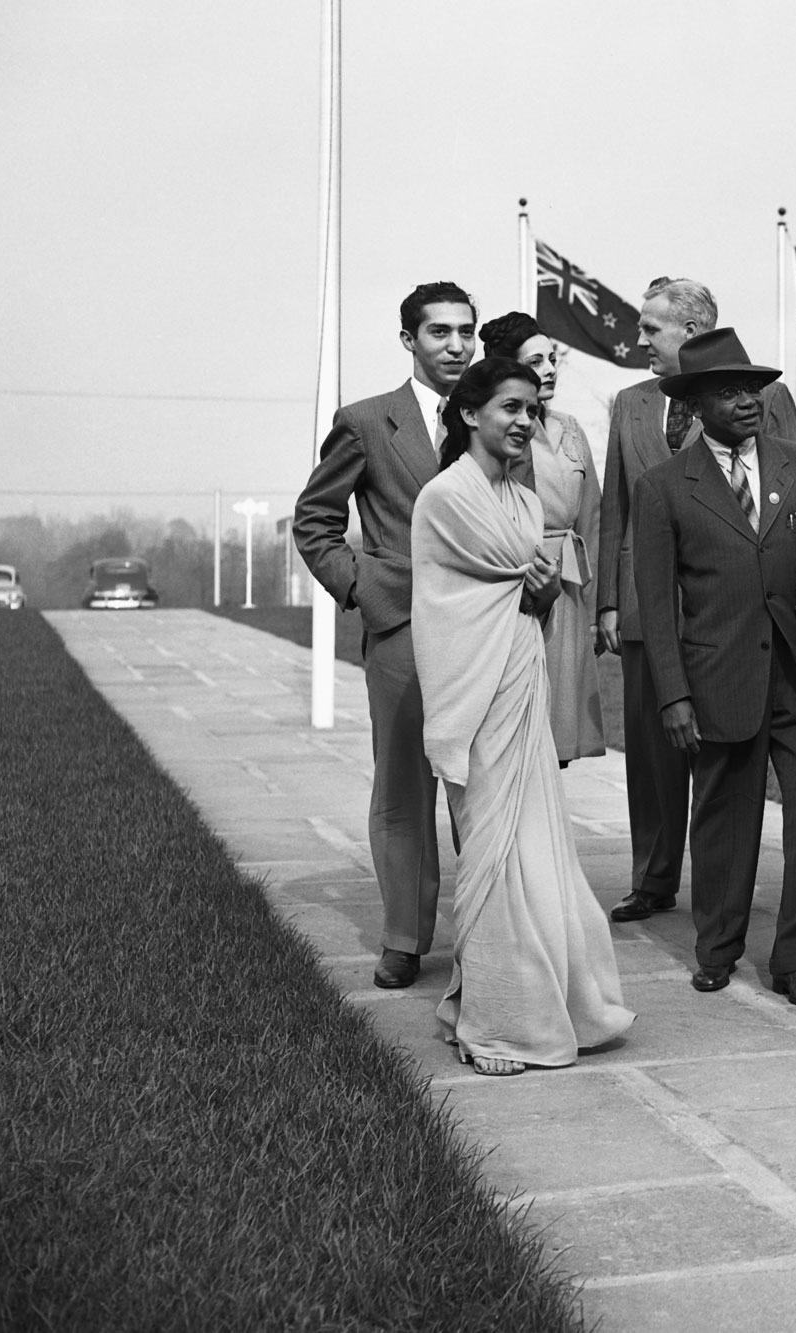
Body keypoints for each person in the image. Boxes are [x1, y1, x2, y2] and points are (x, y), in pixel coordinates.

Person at [411, 358, 634, 1074]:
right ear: (468, 413)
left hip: (520, 686)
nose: (522, 422)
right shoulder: (446, 496)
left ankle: (517, 1001)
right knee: (491, 853)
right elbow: (519, 576)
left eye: (532, 411)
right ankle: (496, 1024)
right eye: (509, 407)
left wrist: (541, 584)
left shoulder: (527, 502)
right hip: (471, 698)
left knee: (534, 848)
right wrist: (541, 578)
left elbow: (539, 592)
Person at [633, 328, 796, 1007]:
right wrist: (674, 696)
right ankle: (717, 947)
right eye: (728, 391)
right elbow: (658, 601)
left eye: (752, 387)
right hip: (715, 676)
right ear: (695, 403)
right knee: (723, 817)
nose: (747, 400)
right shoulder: (664, 487)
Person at [597, 278, 796, 924]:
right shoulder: (630, 403)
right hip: (643, 605)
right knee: (652, 755)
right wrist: (609, 599)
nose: (640, 340)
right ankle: (652, 876)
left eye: (651, 328)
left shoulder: (765, 397)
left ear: (692, 332)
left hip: (733, 609)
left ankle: (725, 882)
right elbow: (615, 507)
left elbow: (792, 491)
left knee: (729, 751)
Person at [294, 281, 476, 990]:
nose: (456, 345)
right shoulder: (367, 421)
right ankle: (405, 937)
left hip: (484, 630)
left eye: (466, 331)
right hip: (401, 629)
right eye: (440, 333)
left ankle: (488, 935)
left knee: (481, 788)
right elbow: (314, 519)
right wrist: (362, 588)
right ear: (410, 340)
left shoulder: (499, 413)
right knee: (404, 789)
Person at [479, 312, 606, 766]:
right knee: (517, 729)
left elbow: (592, 515)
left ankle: (545, 828)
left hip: (569, 585)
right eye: (537, 360)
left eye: (553, 358)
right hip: (521, 586)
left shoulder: (570, 426)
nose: (551, 369)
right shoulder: (497, 430)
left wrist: (594, 608)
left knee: (556, 741)